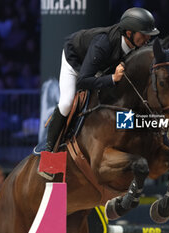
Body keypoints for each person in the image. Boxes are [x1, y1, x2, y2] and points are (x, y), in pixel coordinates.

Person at [39, 7, 159, 180]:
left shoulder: (137, 45)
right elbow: (83, 80)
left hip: (102, 67)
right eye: (144, 34)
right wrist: (112, 79)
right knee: (66, 102)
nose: (148, 38)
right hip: (76, 63)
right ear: (129, 32)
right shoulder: (103, 43)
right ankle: (49, 154)